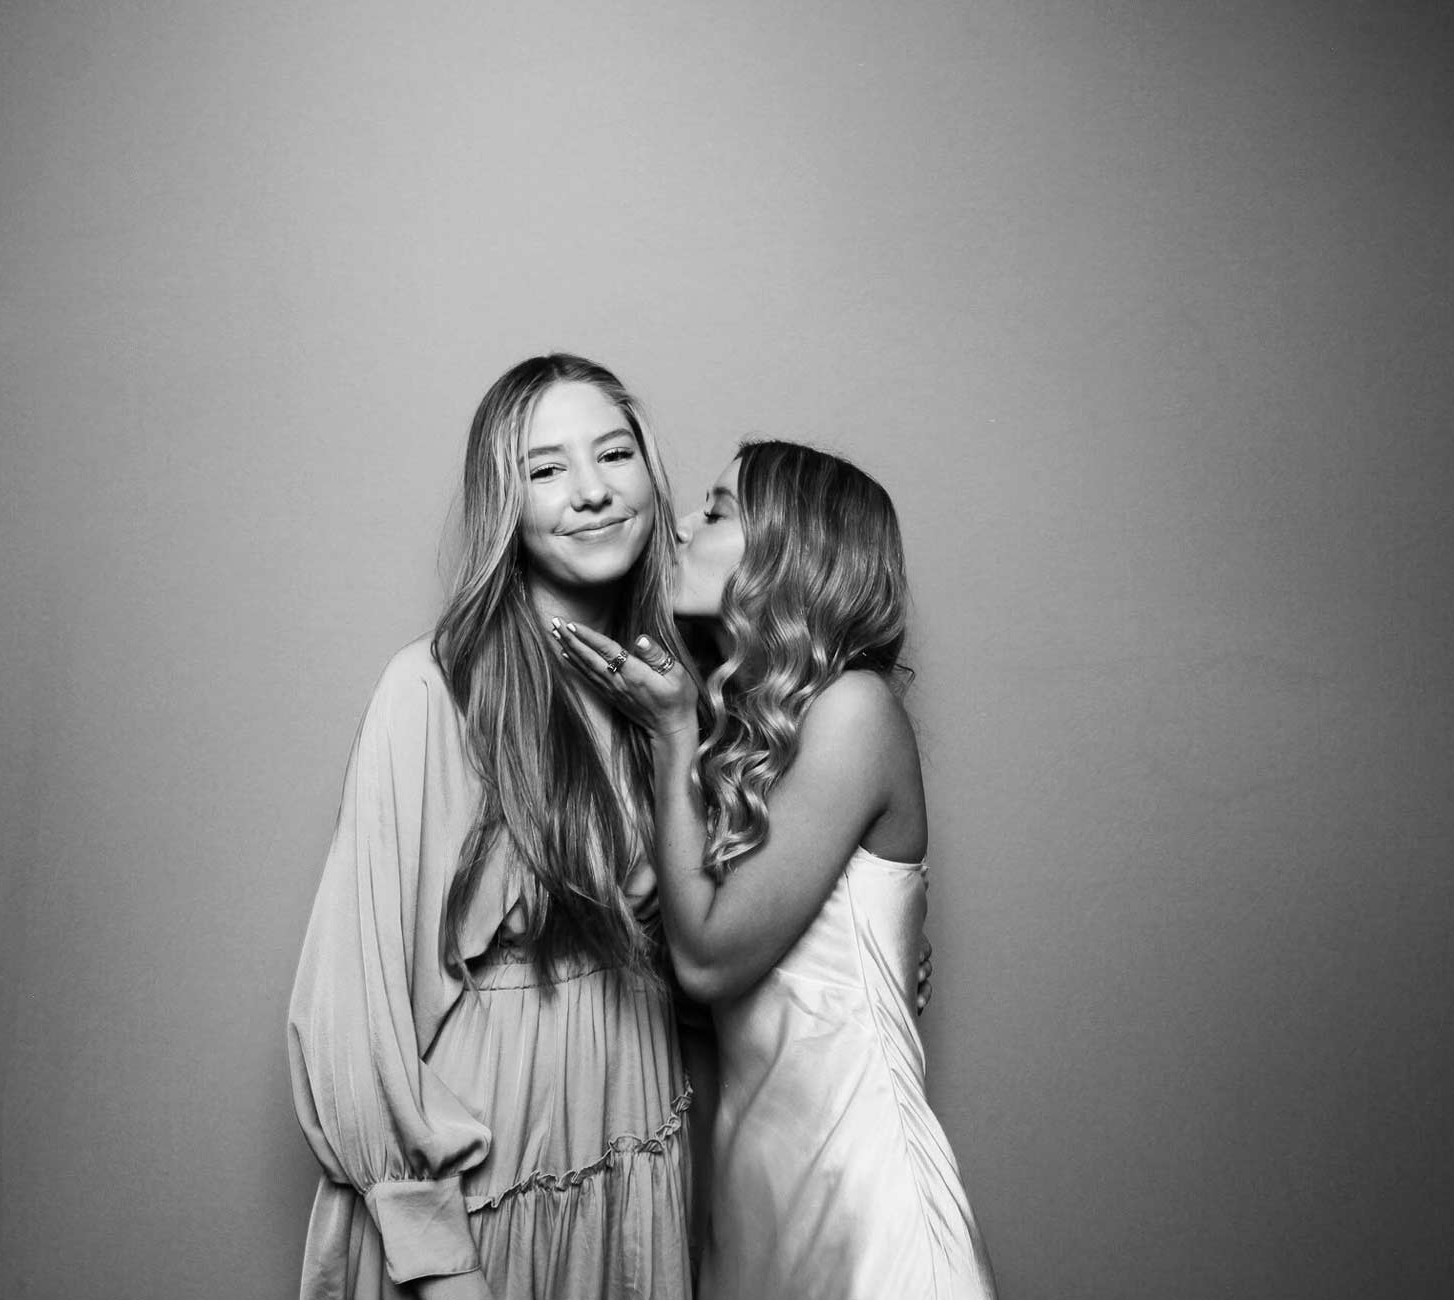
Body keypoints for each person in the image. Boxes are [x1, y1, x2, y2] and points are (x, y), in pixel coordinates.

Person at [286, 355, 696, 1300]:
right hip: (500, 1171)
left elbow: (699, 943)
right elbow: (356, 1003)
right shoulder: (432, 691)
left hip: (633, 1143)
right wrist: (438, 1259)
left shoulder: (670, 688)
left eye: (614, 453)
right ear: (503, 502)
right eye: (546, 469)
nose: (592, 493)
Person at [551, 440, 999, 1299]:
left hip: (864, 1198)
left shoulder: (855, 711)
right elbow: (710, 990)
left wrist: (673, 734)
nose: (683, 524)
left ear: (792, 552)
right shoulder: (757, 745)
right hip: (758, 1196)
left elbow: (711, 961)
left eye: (717, 509)